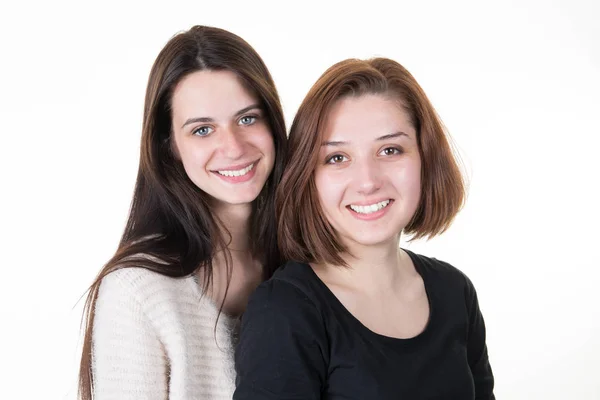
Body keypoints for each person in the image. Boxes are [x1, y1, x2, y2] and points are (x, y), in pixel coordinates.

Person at [234, 57, 494, 399]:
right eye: (337, 158)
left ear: (425, 158)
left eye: (390, 149)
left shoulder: (455, 291)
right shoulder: (285, 311)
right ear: (307, 177)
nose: (368, 181)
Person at [78, 25, 287, 400]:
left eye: (247, 118)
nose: (234, 147)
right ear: (170, 146)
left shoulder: (308, 262)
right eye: (203, 129)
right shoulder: (138, 291)